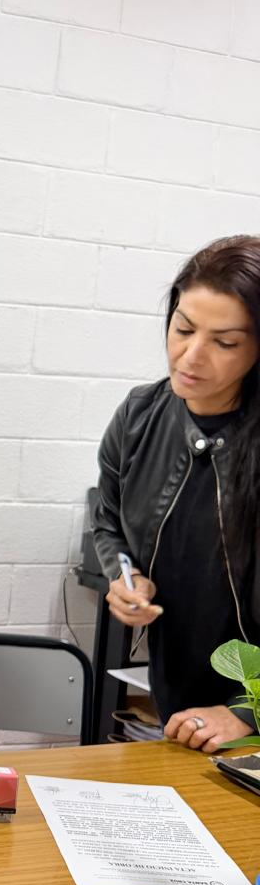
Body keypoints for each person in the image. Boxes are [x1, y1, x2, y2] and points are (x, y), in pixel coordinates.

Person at [93, 236, 260, 754]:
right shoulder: (139, 416)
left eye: (225, 343)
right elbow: (109, 522)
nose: (190, 355)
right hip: (182, 706)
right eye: (183, 329)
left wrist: (245, 712)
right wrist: (126, 577)